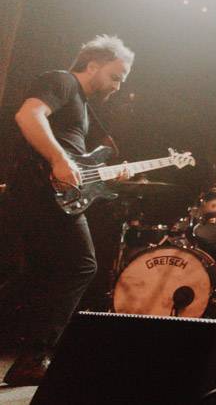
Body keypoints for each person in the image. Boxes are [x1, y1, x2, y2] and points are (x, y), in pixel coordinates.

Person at [1, 35, 134, 386]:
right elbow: (28, 115)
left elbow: (80, 164)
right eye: (116, 76)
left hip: (47, 195)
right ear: (92, 64)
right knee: (81, 264)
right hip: (43, 193)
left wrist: (109, 174)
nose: (118, 86)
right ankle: (35, 356)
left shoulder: (83, 107)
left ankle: (30, 358)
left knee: (36, 275)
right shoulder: (61, 80)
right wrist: (58, 158)